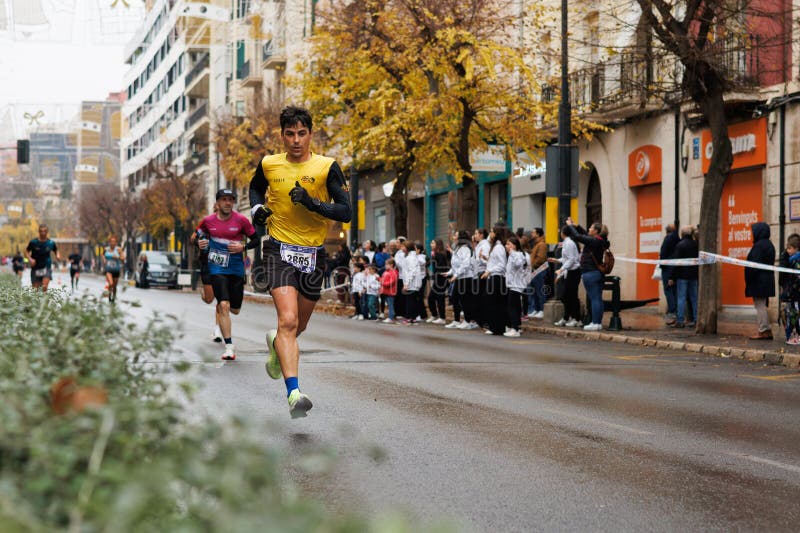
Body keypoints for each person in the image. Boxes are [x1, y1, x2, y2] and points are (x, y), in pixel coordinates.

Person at [248, 105, 352, 418]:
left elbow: (346, 212)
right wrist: (256, 210)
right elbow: (255, 188)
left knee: (298, 326)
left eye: (302, 133)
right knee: (289, 321)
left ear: (310, 134)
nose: (296, 140)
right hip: (278, 250)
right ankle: (294, 393)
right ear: (282, 135)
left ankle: (275, 343)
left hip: (313, 254)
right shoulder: (269, 164)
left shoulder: (326, 167)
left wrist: (312, 202)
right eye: (290, 134)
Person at [198, 188, 257, 360]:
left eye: (231, 199)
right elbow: (198, 236)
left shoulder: (241, 220)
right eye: (224, 199)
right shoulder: (208, 221)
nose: (228, 203)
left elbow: (255, 239)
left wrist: (243, 247)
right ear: (217, 203)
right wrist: (200, 242)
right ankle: (229, 347)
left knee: (235, 309)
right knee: (223, 305)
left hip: (236, 269)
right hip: (216, 268)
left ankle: (225, 309)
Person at [565, 217, 610, 331]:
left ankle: (595, 323)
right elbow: (584, 235)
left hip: (590, 272)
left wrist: (570, 226)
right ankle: (597, 323)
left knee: (594, 298)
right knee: (597, 298)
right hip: (597, 272)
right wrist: (576, 226)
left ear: (596, 231)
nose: (589, 229)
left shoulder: (594, 241)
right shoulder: (598, 240)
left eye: (591, 228)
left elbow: (578, 236)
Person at [191, 205, 223, 342]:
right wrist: (198, 241)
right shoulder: (205, 224)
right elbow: (192, 239)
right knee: (210, 299)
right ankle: (204, 294)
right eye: (216, 211)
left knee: (222, 301)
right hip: (207, 265)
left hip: (222, 266)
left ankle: (218, 330)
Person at [745, 221, 776, 340]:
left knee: (760, 306)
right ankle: (766, 329)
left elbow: (753, 265)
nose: (752, 234)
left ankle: (763, 330)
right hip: (765, 280)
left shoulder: (759, 246)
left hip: (759, 281)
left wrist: (749, 278)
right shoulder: (768, 244)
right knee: (762, 304)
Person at [446, 230, 479, 330]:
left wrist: (455, 275)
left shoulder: (465, 249)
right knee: (455, 298)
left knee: (465, 300)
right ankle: (456, 320)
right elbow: (456, 264)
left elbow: (465, 264)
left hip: (465, 277)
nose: (453, 236)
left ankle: (468, 321)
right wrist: (449, 273)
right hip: (460, 277)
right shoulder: (458, 248)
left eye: (456, 235)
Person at [668, 226, 699, 329]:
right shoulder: (696, 245)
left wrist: (671, 276)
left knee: (681, 298)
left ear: (683, 234)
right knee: (694, 298)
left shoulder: (680, 245)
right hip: (694, 276)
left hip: (682, 276)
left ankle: (680, 320)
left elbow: (676, 262)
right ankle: (696, 319)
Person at [482, 224, 510, 335]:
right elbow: (495, 262)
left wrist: (489, 271)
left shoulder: (499, 247)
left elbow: (502, 265)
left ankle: (498, 327)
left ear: (496, 234)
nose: (490, 234)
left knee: (495, 303)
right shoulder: (495, 246)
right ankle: (495, 326)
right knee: (492, 302)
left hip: (497, 278)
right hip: (493, 277)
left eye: (492, 232)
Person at [552, 225, 582, 327]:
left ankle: (576, 318)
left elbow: (571, 260)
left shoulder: (569, 243)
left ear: (563, 233)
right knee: (566, 296)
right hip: (569, 272)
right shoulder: (567, 243)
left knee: (571, 296)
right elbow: (567, 259)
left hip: (573, 272)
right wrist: (556, 260)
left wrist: (561, 269)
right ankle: (567, 317)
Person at [504, 236, 529, 337]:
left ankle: (515, 329)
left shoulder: (517, 254)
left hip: (516, 285)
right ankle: (516, 326)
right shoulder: (512, 255)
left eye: (509, 244)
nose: (506, 246)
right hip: (512, 284)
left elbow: (518, 264)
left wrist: (512, 253)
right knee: (516, 307)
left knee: (512, 307)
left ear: (514, 246)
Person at [25, 224, 61, 291]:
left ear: (47, 232)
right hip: (35, 267)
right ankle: (38, 301)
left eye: (44, 231)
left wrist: (58, 255)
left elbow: (56, 250)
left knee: (44, 287)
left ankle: (44, 301)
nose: (43, 233)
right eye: (41, 231)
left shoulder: (51, 243)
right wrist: (30, 259)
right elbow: (26, 252)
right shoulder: (33, 242)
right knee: (35, 290)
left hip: (46, 267)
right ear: (38, 232)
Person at [779, 234, 800, 345]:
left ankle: (797, 336)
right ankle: (791, 336)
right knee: (789, 315)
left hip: (796, 294)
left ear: (796, 248)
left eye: (790, 248)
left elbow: (796, 279)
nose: (787, 250)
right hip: (789, 294)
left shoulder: (797, 261)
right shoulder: (788, 260)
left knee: (796, 315)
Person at [659, 224, 680, 324]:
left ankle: (672, 311)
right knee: (675, 291)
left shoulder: (667, 239)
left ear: (666, 231)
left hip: (667, 268)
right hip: (676, 267)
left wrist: (662, 266)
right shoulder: (678, 238)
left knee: (668, 290)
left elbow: (663, 253)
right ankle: (676, 310)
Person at [526, 228, 547, 319]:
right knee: (533, 291)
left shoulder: (542, 244)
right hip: (534, 271)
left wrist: (532, 265)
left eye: (533, 232)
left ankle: (541, 310)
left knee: (539, 291)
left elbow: (540, 259)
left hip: (539, 270)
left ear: (538, 234)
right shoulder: (536, 244)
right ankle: (536, 309)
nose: (531, 234)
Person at [427, 238, 449, 324]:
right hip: (438, 279)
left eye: (432, 243)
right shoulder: (435, 254)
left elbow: (442, 268)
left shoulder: (440, 255)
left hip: (441, 280)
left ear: (437, 245)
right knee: (431, 298)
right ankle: (434, 315)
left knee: (439, 299)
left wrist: (436, 275)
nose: (430, 244)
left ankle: (442, 318)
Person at [102, 236, 125, 303]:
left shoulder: (118, 250)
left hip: (116, 270)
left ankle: (114, 296)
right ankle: (109, 295)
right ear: (109, 242)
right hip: (108, 270)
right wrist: (104, 260)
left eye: (114, 241)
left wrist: (118, 257)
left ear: (116, 243)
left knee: (114, 286)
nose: (112, 243)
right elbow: (103, 255)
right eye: (111, 241)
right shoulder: (106, 249)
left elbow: (123, 259)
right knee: (111, 283)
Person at [380, 258, 399, 323]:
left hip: (391, 291)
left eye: (387, 264)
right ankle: (391, 315)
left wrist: (383, 283)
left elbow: (392, 281)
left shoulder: (394, 272)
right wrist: (379, 280)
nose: (385, 266)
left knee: (390, 304)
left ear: (391, 265)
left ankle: (391, 317)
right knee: (389, 304)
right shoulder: (386, 272)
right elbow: (382, 279)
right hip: (386, 291)